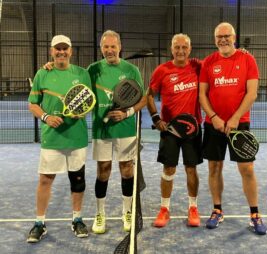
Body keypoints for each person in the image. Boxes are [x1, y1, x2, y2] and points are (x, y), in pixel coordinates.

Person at [199, 22, 267, 235]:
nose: (223, 39)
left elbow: (252, 93)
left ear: (234, 37)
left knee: (247, 169)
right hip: (213, 125)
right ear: (214, 39)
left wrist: (236, 118)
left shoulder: (248, 59)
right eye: (219, 36)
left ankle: (255, 214)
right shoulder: (209, 62)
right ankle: (217, 210)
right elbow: (202, 94)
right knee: (214, 168)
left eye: (227, 35)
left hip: (240, 124)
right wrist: (214, 117)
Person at [27, 35, 91, 243]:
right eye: (57, 49)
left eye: (65, 48)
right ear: (51, 51)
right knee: (45, 179)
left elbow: (88, 100)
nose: (61, 52)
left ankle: (77, 219)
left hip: (77, 137)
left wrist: (80, 113)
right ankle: (39, 223)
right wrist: (46, 117)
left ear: (71, 51)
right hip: (52, 138)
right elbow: (33, 103)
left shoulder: (82, 74)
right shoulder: (42, 74)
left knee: (77, 180)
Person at [87, 30, 146, 233]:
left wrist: (127, 112)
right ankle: (100, 213)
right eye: (106, 46)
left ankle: (127, 212)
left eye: (113, 46)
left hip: (125, 129)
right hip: (101, 130)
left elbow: (143, 99)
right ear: (101, 48)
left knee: (126, 169)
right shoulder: (92, 70)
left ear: (120, 47)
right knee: (103, 170)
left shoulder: (131, 70)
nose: (110, 50)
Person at [147, 33, 203, 228]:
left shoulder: (198, 66)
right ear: (171, 49)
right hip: (170, 129)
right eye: (177, 47)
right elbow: (149, 96)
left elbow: (220, 64)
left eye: (184, 47)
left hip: (193, 129)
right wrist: (156, 118)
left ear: (190, 49)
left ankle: (193, 208)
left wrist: (240, 53)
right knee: (168, 168)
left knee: (191, 169)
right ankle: (164, 208)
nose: (180, 51)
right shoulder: (162, 70)